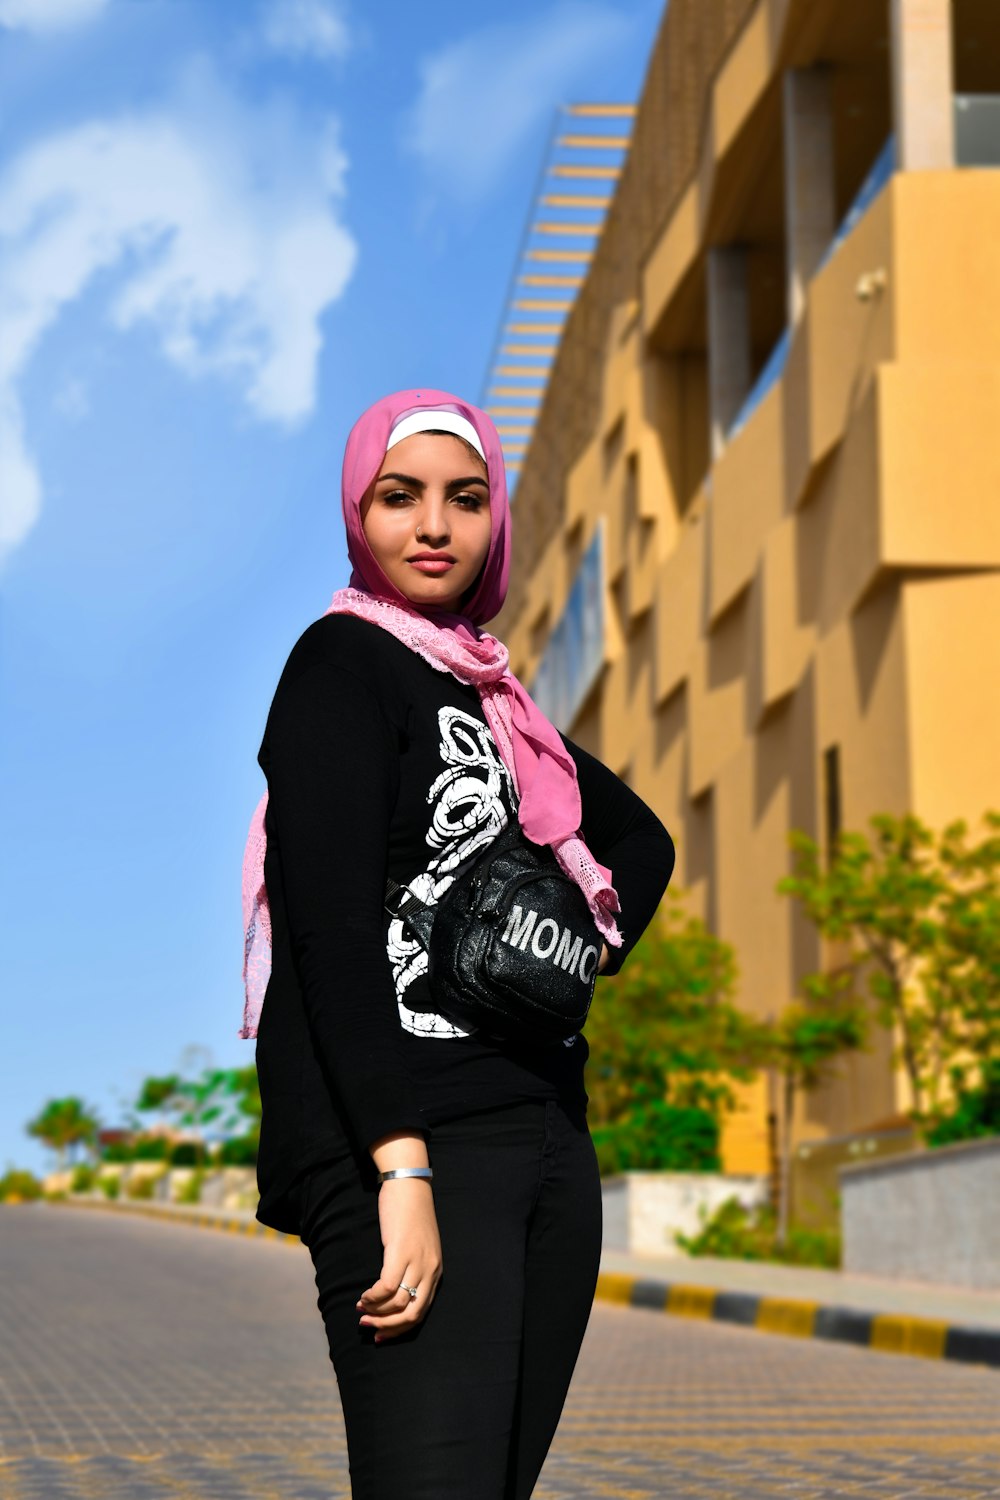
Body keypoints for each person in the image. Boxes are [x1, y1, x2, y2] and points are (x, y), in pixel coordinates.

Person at [240, 387, 675, 1500]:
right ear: (359, 513)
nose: (433, 525)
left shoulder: (491, 696)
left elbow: (640, 840)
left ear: (494, 523)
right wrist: (401, 1165)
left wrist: (542, 944)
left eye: (465, 499)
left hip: (541, 1138)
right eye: (401, 496)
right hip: (408, 1142)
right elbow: (330, 936)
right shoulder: (341, 666)